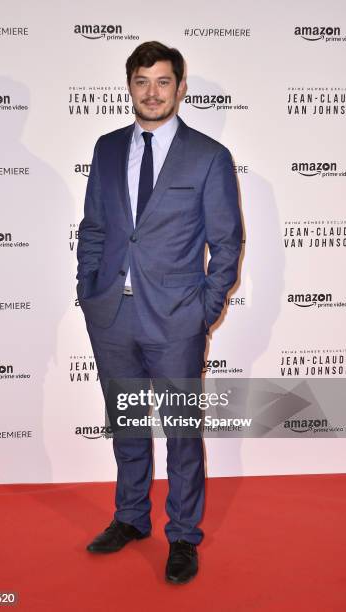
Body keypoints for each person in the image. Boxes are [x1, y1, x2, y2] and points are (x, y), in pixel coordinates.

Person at [76, 41, 242, 585]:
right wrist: (90, 290)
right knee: (126, 423)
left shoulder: (208, 156)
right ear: (130, 86)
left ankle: (183, 535)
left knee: (180, 431)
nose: (152, 92)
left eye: (163, 81)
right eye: (142, 81)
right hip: (111, 316)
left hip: (176, 318)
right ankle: (130, 517)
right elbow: (96, 229)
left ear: (180, 87)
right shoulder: (105, 149)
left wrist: (203, 311)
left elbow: (226, 242)